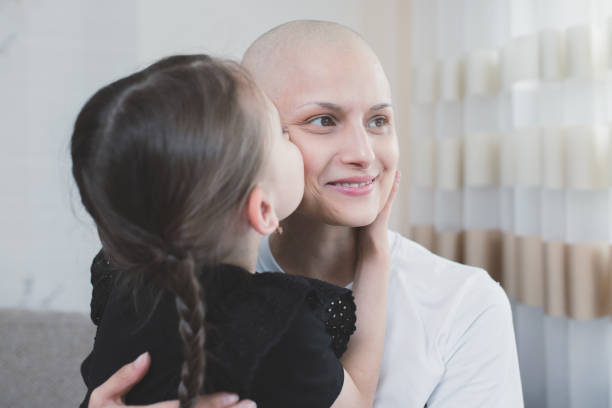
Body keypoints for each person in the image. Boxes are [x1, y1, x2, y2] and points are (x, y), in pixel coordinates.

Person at [91, 20, 523, 408]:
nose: (363, 154)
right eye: (322, 121)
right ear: (243, 148)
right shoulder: (200, 295)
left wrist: (375, 253)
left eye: (378, 121)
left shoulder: (468, 305)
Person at [74, 54, 398, 408]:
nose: (361, 153)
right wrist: (375, 249)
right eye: (282, 133)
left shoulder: (124, 290)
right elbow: (358, 401)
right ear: (262, 210)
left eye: (379, 120)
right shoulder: (279, 325)